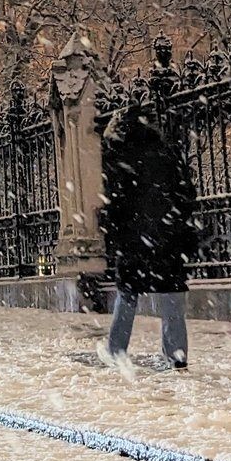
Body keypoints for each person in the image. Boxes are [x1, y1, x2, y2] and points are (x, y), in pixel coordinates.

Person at [97, 103, 199, 369]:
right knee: (172, 298)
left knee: (127, 295)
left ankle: (117, 351)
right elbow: (187, 194)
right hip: (167, 238)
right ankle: (176, 357)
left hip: (134, 240)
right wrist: (173, 222)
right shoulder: (165, 151)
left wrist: (115, 234)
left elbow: (114, 201)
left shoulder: (119, 154)